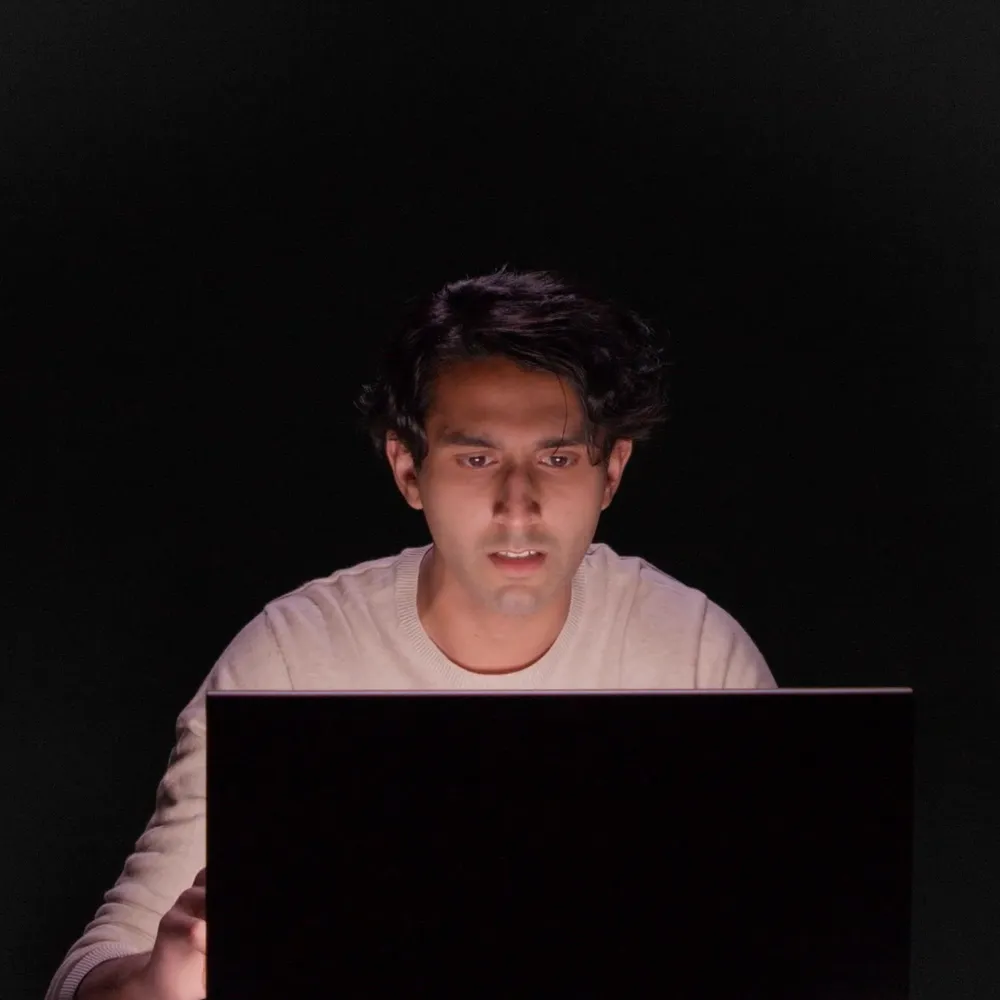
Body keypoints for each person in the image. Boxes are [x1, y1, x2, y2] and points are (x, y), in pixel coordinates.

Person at [46, 267, 777, 1000]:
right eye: (476, 458)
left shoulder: (695, 654)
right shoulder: (294, 657)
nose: (517, 506)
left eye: (556, 459)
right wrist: (158, 981)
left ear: (610, 471)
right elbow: (90, 971)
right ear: (408, 469)